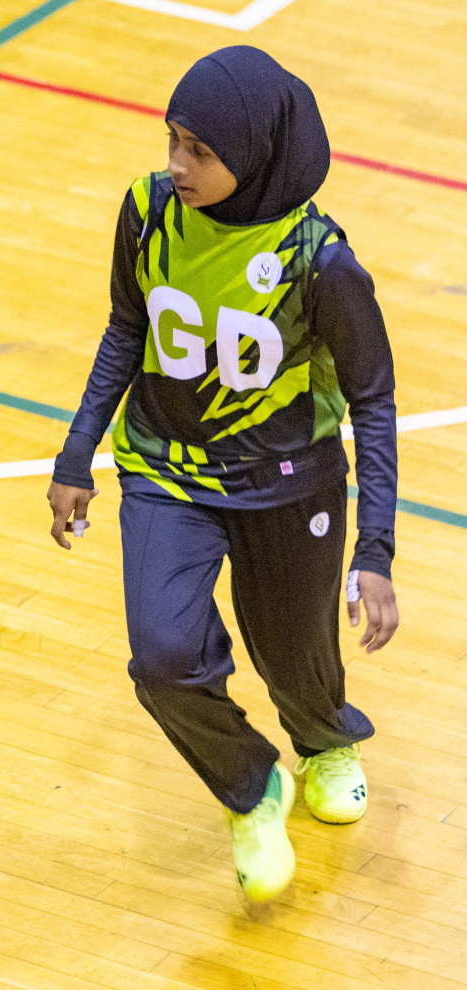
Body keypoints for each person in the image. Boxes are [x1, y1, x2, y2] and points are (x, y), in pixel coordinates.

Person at [45, 47, 399, 903]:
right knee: (162, 658)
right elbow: (126, 327)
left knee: (294, 653)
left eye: (200, 150)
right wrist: (76, 450)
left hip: (290, 482)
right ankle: (252, 787)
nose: (176, 165)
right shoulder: (148, 212)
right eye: (172, 139)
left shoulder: (322, 263)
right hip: (166, 466)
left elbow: (375, 401)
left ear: (260, 153)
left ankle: (323, 741)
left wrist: (377, 550)